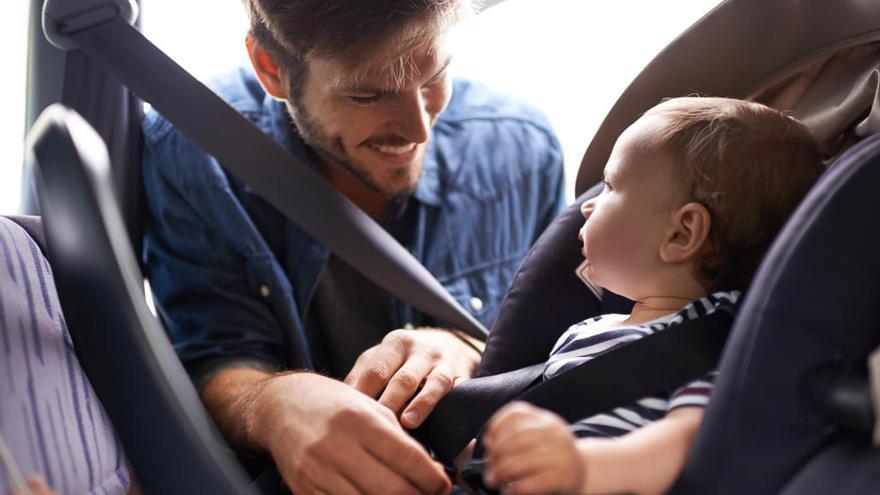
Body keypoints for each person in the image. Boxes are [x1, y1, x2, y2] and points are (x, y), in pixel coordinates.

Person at [141, 0, 564, 493]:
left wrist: (464, 346)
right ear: (271, 69)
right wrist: (275, 405)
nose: (418, 128)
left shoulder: (521, 149)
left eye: (434, 76)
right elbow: (213, 355)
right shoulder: (195, 152)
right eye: (368, 95)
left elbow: (568, 340)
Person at [476, 97, 824, 495]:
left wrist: (585, 467)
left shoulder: (714, 341)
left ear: (681, 234)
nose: (587, 205)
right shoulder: (588, 330)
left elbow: (689, 437)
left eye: (610, 187)